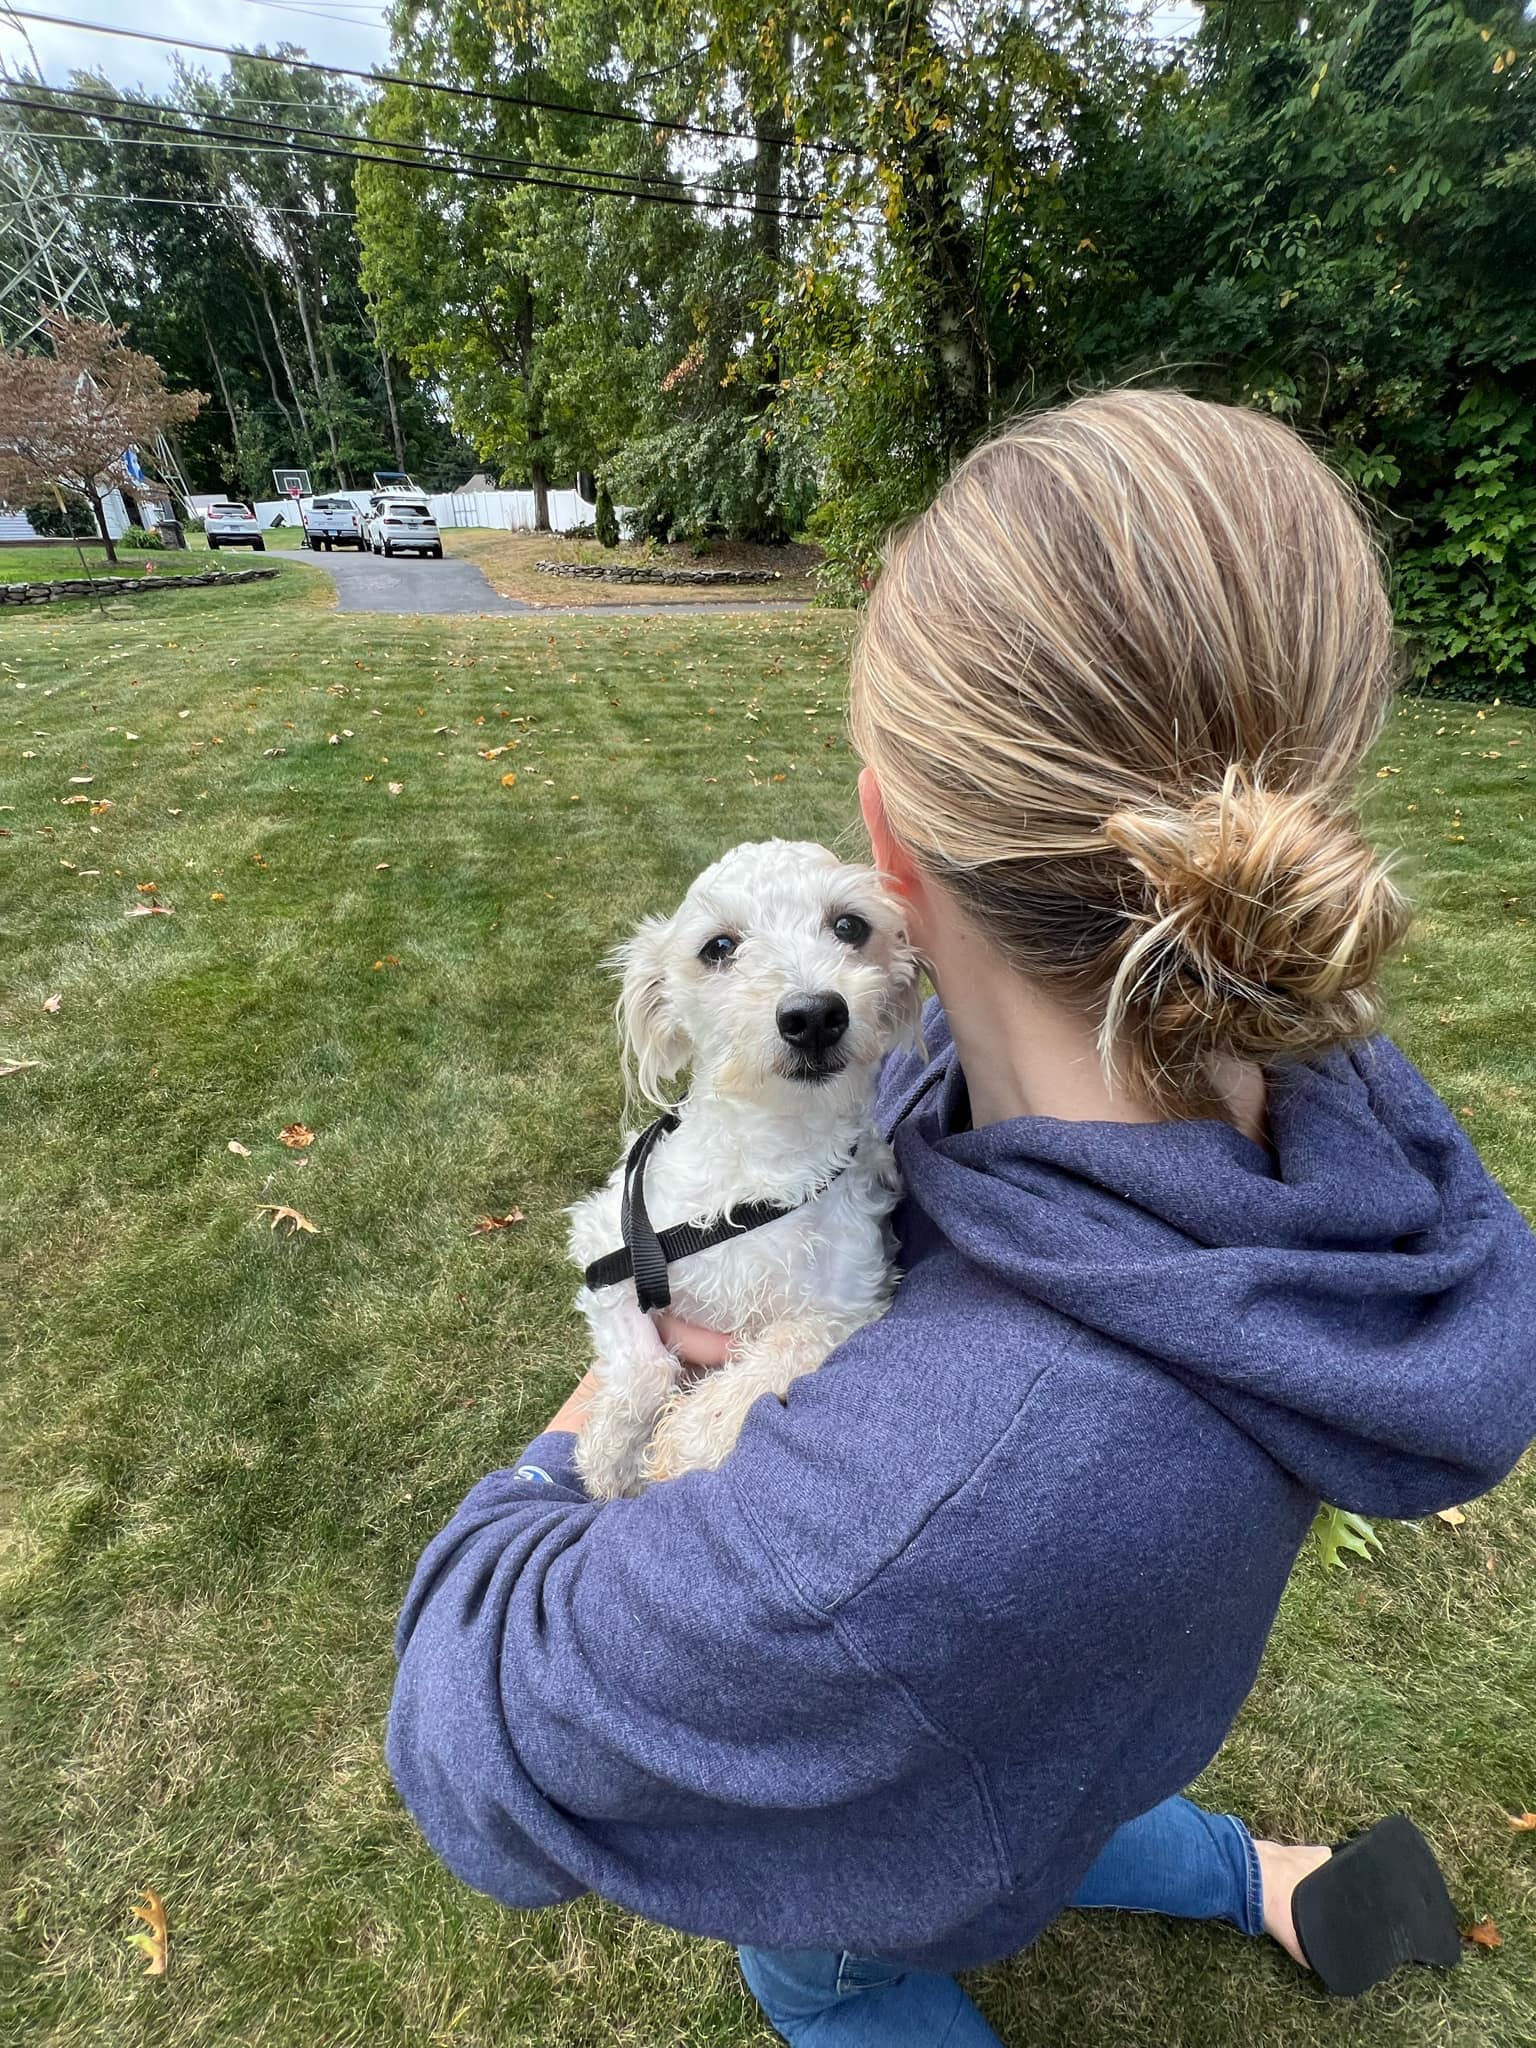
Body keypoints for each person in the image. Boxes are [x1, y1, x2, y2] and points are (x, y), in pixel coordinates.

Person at [386, 392, 1536, 2045]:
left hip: (902, 1838)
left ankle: (944, 1944)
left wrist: (618, 1367)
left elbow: (468, 1741)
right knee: (1045, 1773)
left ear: (890, 850)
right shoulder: (1329, 1130)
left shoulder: (904, 1520)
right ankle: (1249, 1873)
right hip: (1079, 1712)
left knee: (820, 1964)